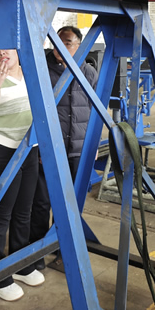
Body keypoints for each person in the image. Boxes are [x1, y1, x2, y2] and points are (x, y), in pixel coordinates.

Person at [0, 48, 45, 302]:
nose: (2, 52)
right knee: (1, 215)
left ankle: (20, 264)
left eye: (7, 47)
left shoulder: (30, 75)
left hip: (29, 149)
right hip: (3, 150)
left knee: (24, 211)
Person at [29, 26, 98, 270]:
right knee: (41, 202)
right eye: (57, 41)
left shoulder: (88, 72)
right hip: (49, 150)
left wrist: (93, 144)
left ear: (79, 45)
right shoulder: (42, 69)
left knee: (71, 205)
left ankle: (63, 251)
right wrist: (38, 146)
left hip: (78, 150)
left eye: (67, 42)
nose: (60, 47)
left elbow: (96, 110)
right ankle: (37, 253)